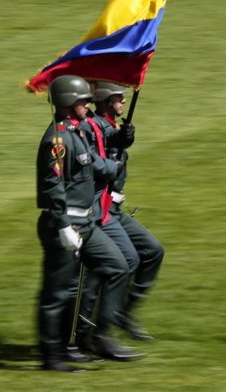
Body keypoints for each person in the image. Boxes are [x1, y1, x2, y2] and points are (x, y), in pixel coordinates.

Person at [35, 75, 139, 372]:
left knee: (117, 266)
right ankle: (52, 355)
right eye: (82, 101)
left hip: (87, 223)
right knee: (57, 292)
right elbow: (52, 187)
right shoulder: (57, 139)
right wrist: (63, 224)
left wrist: (116, 163)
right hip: (66, 224)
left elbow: (92, 163)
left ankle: (99, 335)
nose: (87, 105)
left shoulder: (77, 132)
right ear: (68, 103)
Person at [89, 82, 165, 341]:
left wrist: (122, 140)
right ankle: (101, 324)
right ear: (107, 101)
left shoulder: (109, 126)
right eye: (118, 98)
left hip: (115, 208)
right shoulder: (95, 126)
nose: (123, 101)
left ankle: (124, 312)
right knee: (127, 260)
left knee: (153, 251)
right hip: (101, 209)